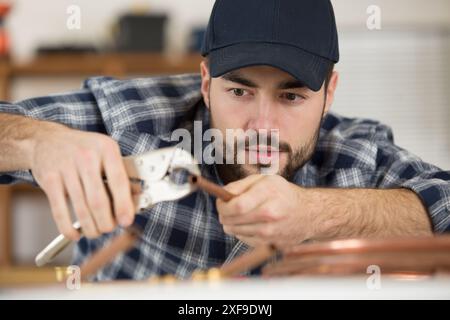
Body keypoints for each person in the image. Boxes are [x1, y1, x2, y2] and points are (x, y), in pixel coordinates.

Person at [0, 0, 449, 280]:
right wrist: (35, 143)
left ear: (329, 92)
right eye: (239, 91)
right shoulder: (131, 116)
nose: (261, 126)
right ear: (205, 80)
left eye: (291, 96)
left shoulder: (358, 155)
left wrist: (318, 214)